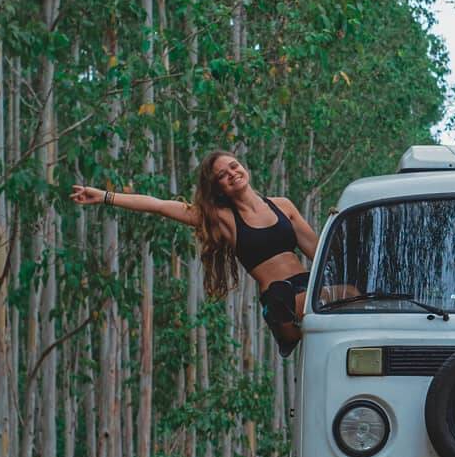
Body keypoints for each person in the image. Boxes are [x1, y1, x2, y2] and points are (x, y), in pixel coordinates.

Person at [71, 150, 318, 356]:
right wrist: (106, 196)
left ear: (244, 167)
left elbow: (319, 252)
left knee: (347, 294)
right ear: (218, 188)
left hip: (309, 287)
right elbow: (159, 206)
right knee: (296, 301)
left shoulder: (283, 206)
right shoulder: (222, 219)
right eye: (223, 174)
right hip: (280, 299)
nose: (232, 174)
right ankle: (287, 329)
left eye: (234, 166)